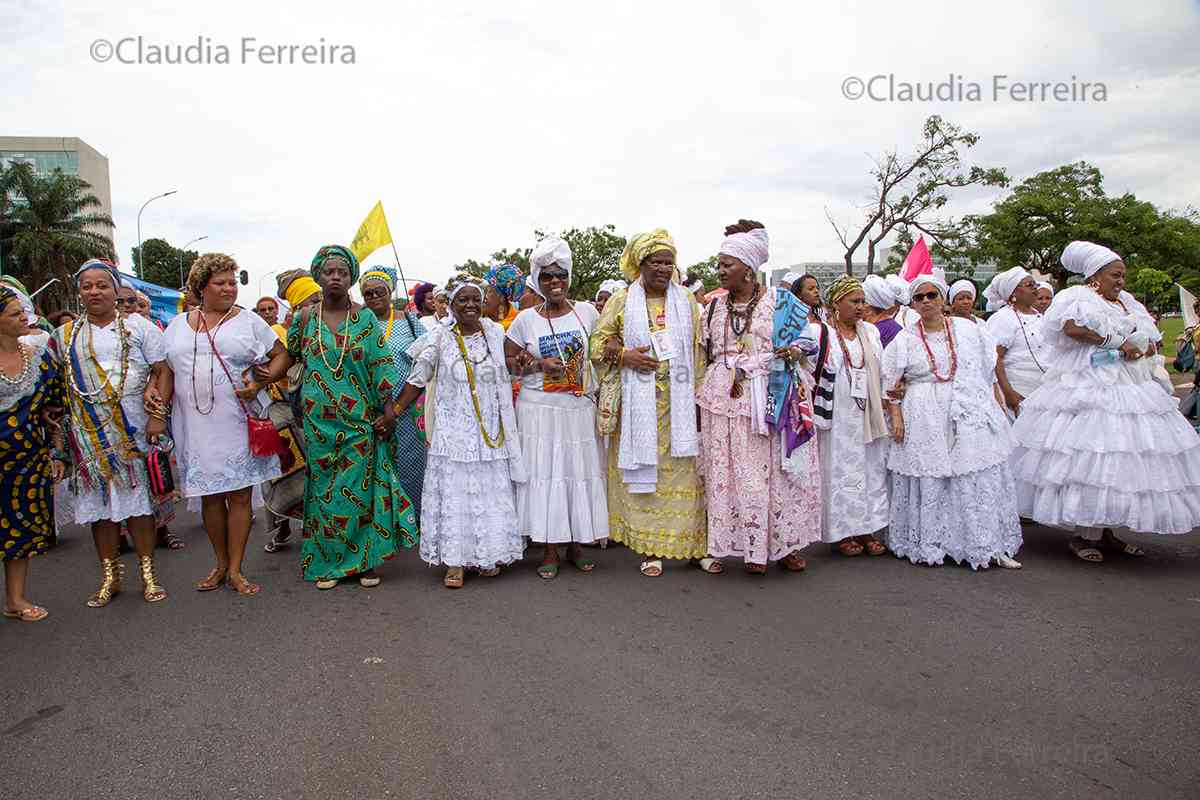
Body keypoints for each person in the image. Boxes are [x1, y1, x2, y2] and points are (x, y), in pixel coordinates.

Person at [1011, 241, 1200, 562]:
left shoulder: (1128, 302)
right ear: (1096, 276)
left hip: (1131, 384)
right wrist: (1115, 341)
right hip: (1088, 384)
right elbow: (1070, 328)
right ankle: (1085, 533)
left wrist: (1146, 345)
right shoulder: (1077, 297)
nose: (1121, 281)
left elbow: (1150, 335)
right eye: (1115, 275)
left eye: (1123, 275)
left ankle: (1105, 529)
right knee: (1090, 454)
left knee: (1124, 457)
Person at [274, 246, 418, 588]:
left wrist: (389, 410)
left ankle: (365, 560)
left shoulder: (365, 318)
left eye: (342, 272)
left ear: (351, 277)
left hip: (360, 416)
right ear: (318, 277)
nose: (335, 277)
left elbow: (380, 364)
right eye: (329, 272)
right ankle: (329, 562)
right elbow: (289, 356)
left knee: (360, 487)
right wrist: (262, 377)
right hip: (318, 418)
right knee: (327, 490)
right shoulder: (305, 318)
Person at [158, 253, 288, 596]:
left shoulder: (248, 322)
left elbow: (282, 356)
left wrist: (260, 384)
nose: (230, 288)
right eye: (221, 283)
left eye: (233, 282)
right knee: (210, 497)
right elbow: (167, 370)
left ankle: (236, 569)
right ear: (202, 287)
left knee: (240, 494)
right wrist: (157, 410)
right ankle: (218, 563)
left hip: (237, 420)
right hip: (194, 425)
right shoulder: (176, 326)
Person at [589, 229, 714, 577]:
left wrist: (700, 393)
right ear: (640, 264)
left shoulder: (687, 299)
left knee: (688, 476)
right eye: (655, 262)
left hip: (681, 405)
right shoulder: (621, 299)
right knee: (648, 478)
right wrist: (626, 354)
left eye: (668, 262)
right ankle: (650, 549)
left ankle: (695, 546)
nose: (662, 268)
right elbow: (597, 345)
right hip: (639, 406)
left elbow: (697, 349)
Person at [697, 221, 819, 574]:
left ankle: (783, 545)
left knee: (774, 471)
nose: (720, 271)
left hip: (771, 393)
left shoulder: (782, 302)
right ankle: (745, 546)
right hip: (725, 396)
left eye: (727, 265)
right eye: (719, 264)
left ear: (748, 270)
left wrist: (793, 351)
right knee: (733, 470)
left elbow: (807, 340)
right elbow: (707, 351)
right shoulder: (714, 308)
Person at [882, 271, 1022, 569]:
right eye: (919, 297)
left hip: (967, 405)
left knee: (973, 475)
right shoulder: (904, 339)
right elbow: (891, 384)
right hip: (923, 411)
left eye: (931, 295)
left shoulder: (969, 330)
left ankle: (985, 544)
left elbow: (987, 370)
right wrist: (896, 416)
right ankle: (932, 542)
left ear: (942, 298)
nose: (925, 301)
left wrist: (993, 401)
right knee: (931, 476)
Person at [397, 274, 525, 588]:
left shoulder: (496, 333)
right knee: (455, 494)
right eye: (462, 299)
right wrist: (396, 410)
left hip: (490, 431)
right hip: (452, 432)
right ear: (451, 304)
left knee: (487, 492)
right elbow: (419, 375)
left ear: (482, 303)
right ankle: (455, 563)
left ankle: (486, 556)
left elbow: (513, 365)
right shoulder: (439, 336)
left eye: (474, 299)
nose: (469, 305)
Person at [54, 259, 170, 607]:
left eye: (101, 285)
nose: (94, 292)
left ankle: (148, 576)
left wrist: (157, 416)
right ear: (79, 292)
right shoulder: (64, 335)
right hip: (88, 436)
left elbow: (162, 371)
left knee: (138, 507)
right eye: (87, 286)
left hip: (132, 432)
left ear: (114, 289)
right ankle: (110, 577)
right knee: (100, 510)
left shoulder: (139, 328)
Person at [504, 236, 606, 578]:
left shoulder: (589, 313)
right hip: (539, 411)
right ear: (538, 281)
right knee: (545, 475)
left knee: (575, 472)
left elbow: (606, 348)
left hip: (577, 408)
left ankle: (577, 544)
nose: (554, 282)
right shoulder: (524, 320)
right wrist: (535, 365)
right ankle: (549, 549)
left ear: (569, 276)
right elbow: (507, 363)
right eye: (546, 277)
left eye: (560, 275)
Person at [813, 275, 891, 557]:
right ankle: (841, 532)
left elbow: (881, 369)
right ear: (836, 303)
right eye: (853, 301)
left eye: (862, 301)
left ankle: (868, 528)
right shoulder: (820, 332)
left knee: (870, 469)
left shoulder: (870, 332)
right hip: (838, 416)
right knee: (840, 470)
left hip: (867, 413)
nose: (860, 307)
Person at [0, 286, 64, 622]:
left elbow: (57, 400)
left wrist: (54, 446)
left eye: (23, 312)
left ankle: (16, 599)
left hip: (27, 459)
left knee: (18, 530)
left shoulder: (39, 355)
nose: (25, 318)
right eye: (15, 314)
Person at [359, 266, 428, 521]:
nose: (375, 297)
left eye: (380, 291)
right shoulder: (356, 322)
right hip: (370, 411)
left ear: (390, 292)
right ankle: (382, 523)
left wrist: (399, 408)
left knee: (410, 465)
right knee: (375, 468)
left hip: (407, 409)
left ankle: (412, 520)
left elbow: (428, 358)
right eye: (368, 294)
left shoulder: (410, 321)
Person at [984, 267, 1050, 418]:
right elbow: (994, 358)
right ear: (1013, 292)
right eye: (1029, 285)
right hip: (1018, 393)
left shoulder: (1040, 316)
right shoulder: (1003, 318)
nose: (1035, 289)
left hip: (1045, 391)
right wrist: (1008, 393)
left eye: (1036, 285)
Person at [861, 274, 903, 348]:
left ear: (869, 307)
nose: (858, 307)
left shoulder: (885, 330)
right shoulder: (867, 327)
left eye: (862, 302)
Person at [483, 263, 525, 331]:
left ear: (501, 298)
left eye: (488, 291)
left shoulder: (517, 325)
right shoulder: (475, 320)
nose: (483, 296)